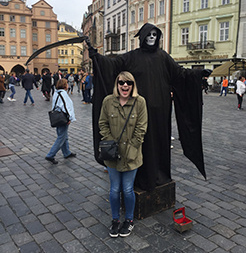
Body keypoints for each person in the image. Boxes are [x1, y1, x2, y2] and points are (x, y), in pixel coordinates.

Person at [88, 23, 211, 191]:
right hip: (138, 111)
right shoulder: (131, 57)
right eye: (149, 34)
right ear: (143, 37)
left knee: (160, 141)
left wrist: (197, 74)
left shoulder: (163, 57)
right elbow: (112, 66)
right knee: (140, 142)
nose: (152, 37)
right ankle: (139, 176)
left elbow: (180, 74)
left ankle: (160, 175)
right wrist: (97, 57)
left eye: (155, 34)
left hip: (161, 112)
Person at [99, 71, 147, 237]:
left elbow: (141, 128)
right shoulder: (108, 101)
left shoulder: (139, 102)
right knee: (114, 190)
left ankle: (129, 220)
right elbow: (102, 124)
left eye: (128, 83)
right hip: (112, 155)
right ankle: (115, 220)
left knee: (127, 190)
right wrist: (110, 143)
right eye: (121, 82)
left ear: (133, 85)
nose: (125, 86)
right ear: (117, 84)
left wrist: (130, 149)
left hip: (132, 155)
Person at [45, 78, 76, 164]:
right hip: (63, 117)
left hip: (57, 116)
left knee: (63, 136)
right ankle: (50, 155)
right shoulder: (63, 94)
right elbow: (66, 106)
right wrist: (69, 117)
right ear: (64, 85)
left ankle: (66, 152)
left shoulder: (56, 93)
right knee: (61, 137)